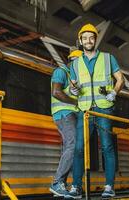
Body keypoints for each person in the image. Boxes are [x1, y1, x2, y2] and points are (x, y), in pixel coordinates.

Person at [66, 23, 124, 199]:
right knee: (78, 148)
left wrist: (114, 92)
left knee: (106, 146)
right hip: (85, 111)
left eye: (91, 37)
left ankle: (109, 186)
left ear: (95, 40)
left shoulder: (108, 58)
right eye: (85, 38)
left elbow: (121, 79)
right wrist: (73, 90)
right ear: (81, 41)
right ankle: (76, 187)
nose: (88, 40)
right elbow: (72, 87)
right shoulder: (75, 64)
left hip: (104, 109)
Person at [49, 50, 83, 197]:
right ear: (72, 60)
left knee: (74, 147)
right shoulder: (61, 71)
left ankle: (64, 185)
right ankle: (57, 182)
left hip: (71, 115)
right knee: (73, 145)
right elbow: (56, 92)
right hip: (64, 115)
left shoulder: (75, 79)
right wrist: (76, 102)